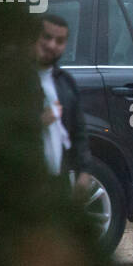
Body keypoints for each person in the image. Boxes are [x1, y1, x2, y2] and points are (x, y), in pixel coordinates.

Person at [34, 14, 92, 192]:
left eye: (59, 41)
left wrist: (84, 172)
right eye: (47, 37)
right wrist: (38, 122)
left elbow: (79, 132)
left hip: (58, 184)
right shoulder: (13, 79)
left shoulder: (66, 83)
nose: (52, 45)